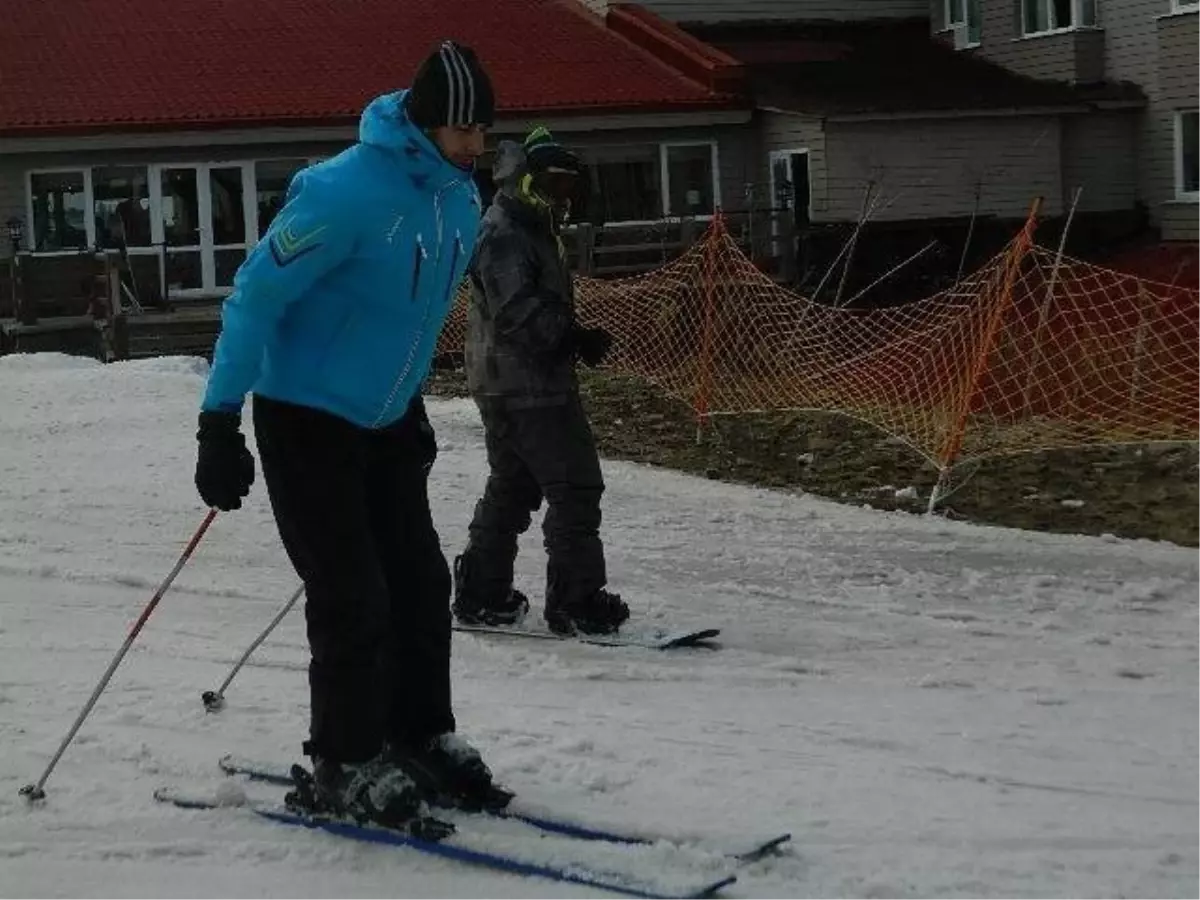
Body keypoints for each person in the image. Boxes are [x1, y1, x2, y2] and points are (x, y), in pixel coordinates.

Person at [193, 41, 501, 829]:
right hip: (307, 417)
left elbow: (416, 312)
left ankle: (418, 733)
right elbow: (254, 299)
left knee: (421, 586)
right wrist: (219, 420)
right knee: (353, 597)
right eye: (463, 131)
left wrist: (406, 405)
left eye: (484, 130)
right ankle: (343, 759)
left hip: (389, 420)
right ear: (425, 124)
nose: (476, 145)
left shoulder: (460, 198)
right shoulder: (342, 193)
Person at [452, 127, 630, 637]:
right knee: (574, 486)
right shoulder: (507, 229)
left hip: (509, 380)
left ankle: (482, 592)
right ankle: (576, 601)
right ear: (529, 180)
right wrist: (571, 338)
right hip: (528, 385)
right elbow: (517, 311)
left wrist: (569, 338)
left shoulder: (527, 224)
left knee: (514, 484)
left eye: (569, 187)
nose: (562, 197)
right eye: (553, 183)